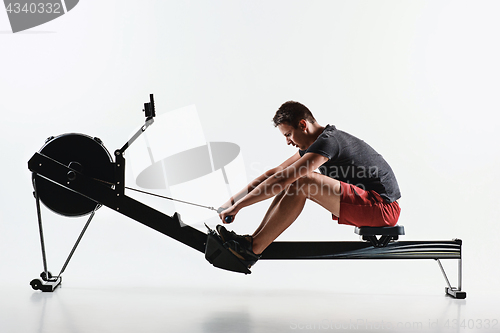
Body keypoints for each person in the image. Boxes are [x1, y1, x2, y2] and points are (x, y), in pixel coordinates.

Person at [217, 101, 401, 267]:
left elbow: (281, 179)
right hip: (371, 204)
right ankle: (251, 242)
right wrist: (233, 202)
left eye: (288, 135)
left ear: (303, 125)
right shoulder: (318, 143)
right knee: (295, 179)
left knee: (302, 180)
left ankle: (252, 250)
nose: (288, 142)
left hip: (382, 208)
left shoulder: (328, 142)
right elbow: (275, 173)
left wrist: (239, 207)